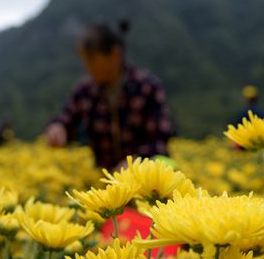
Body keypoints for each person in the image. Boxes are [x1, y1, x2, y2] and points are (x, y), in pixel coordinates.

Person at [46, 21, 175, 169]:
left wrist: (137, 161)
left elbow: (160, 138)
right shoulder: (85, 90)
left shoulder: (147, 87)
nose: (87, 66)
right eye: (85, 60)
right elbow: (66, 117)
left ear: (115, 54)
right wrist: (58, 127)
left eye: (91, 59)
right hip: (106, 182)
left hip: (148, 180)